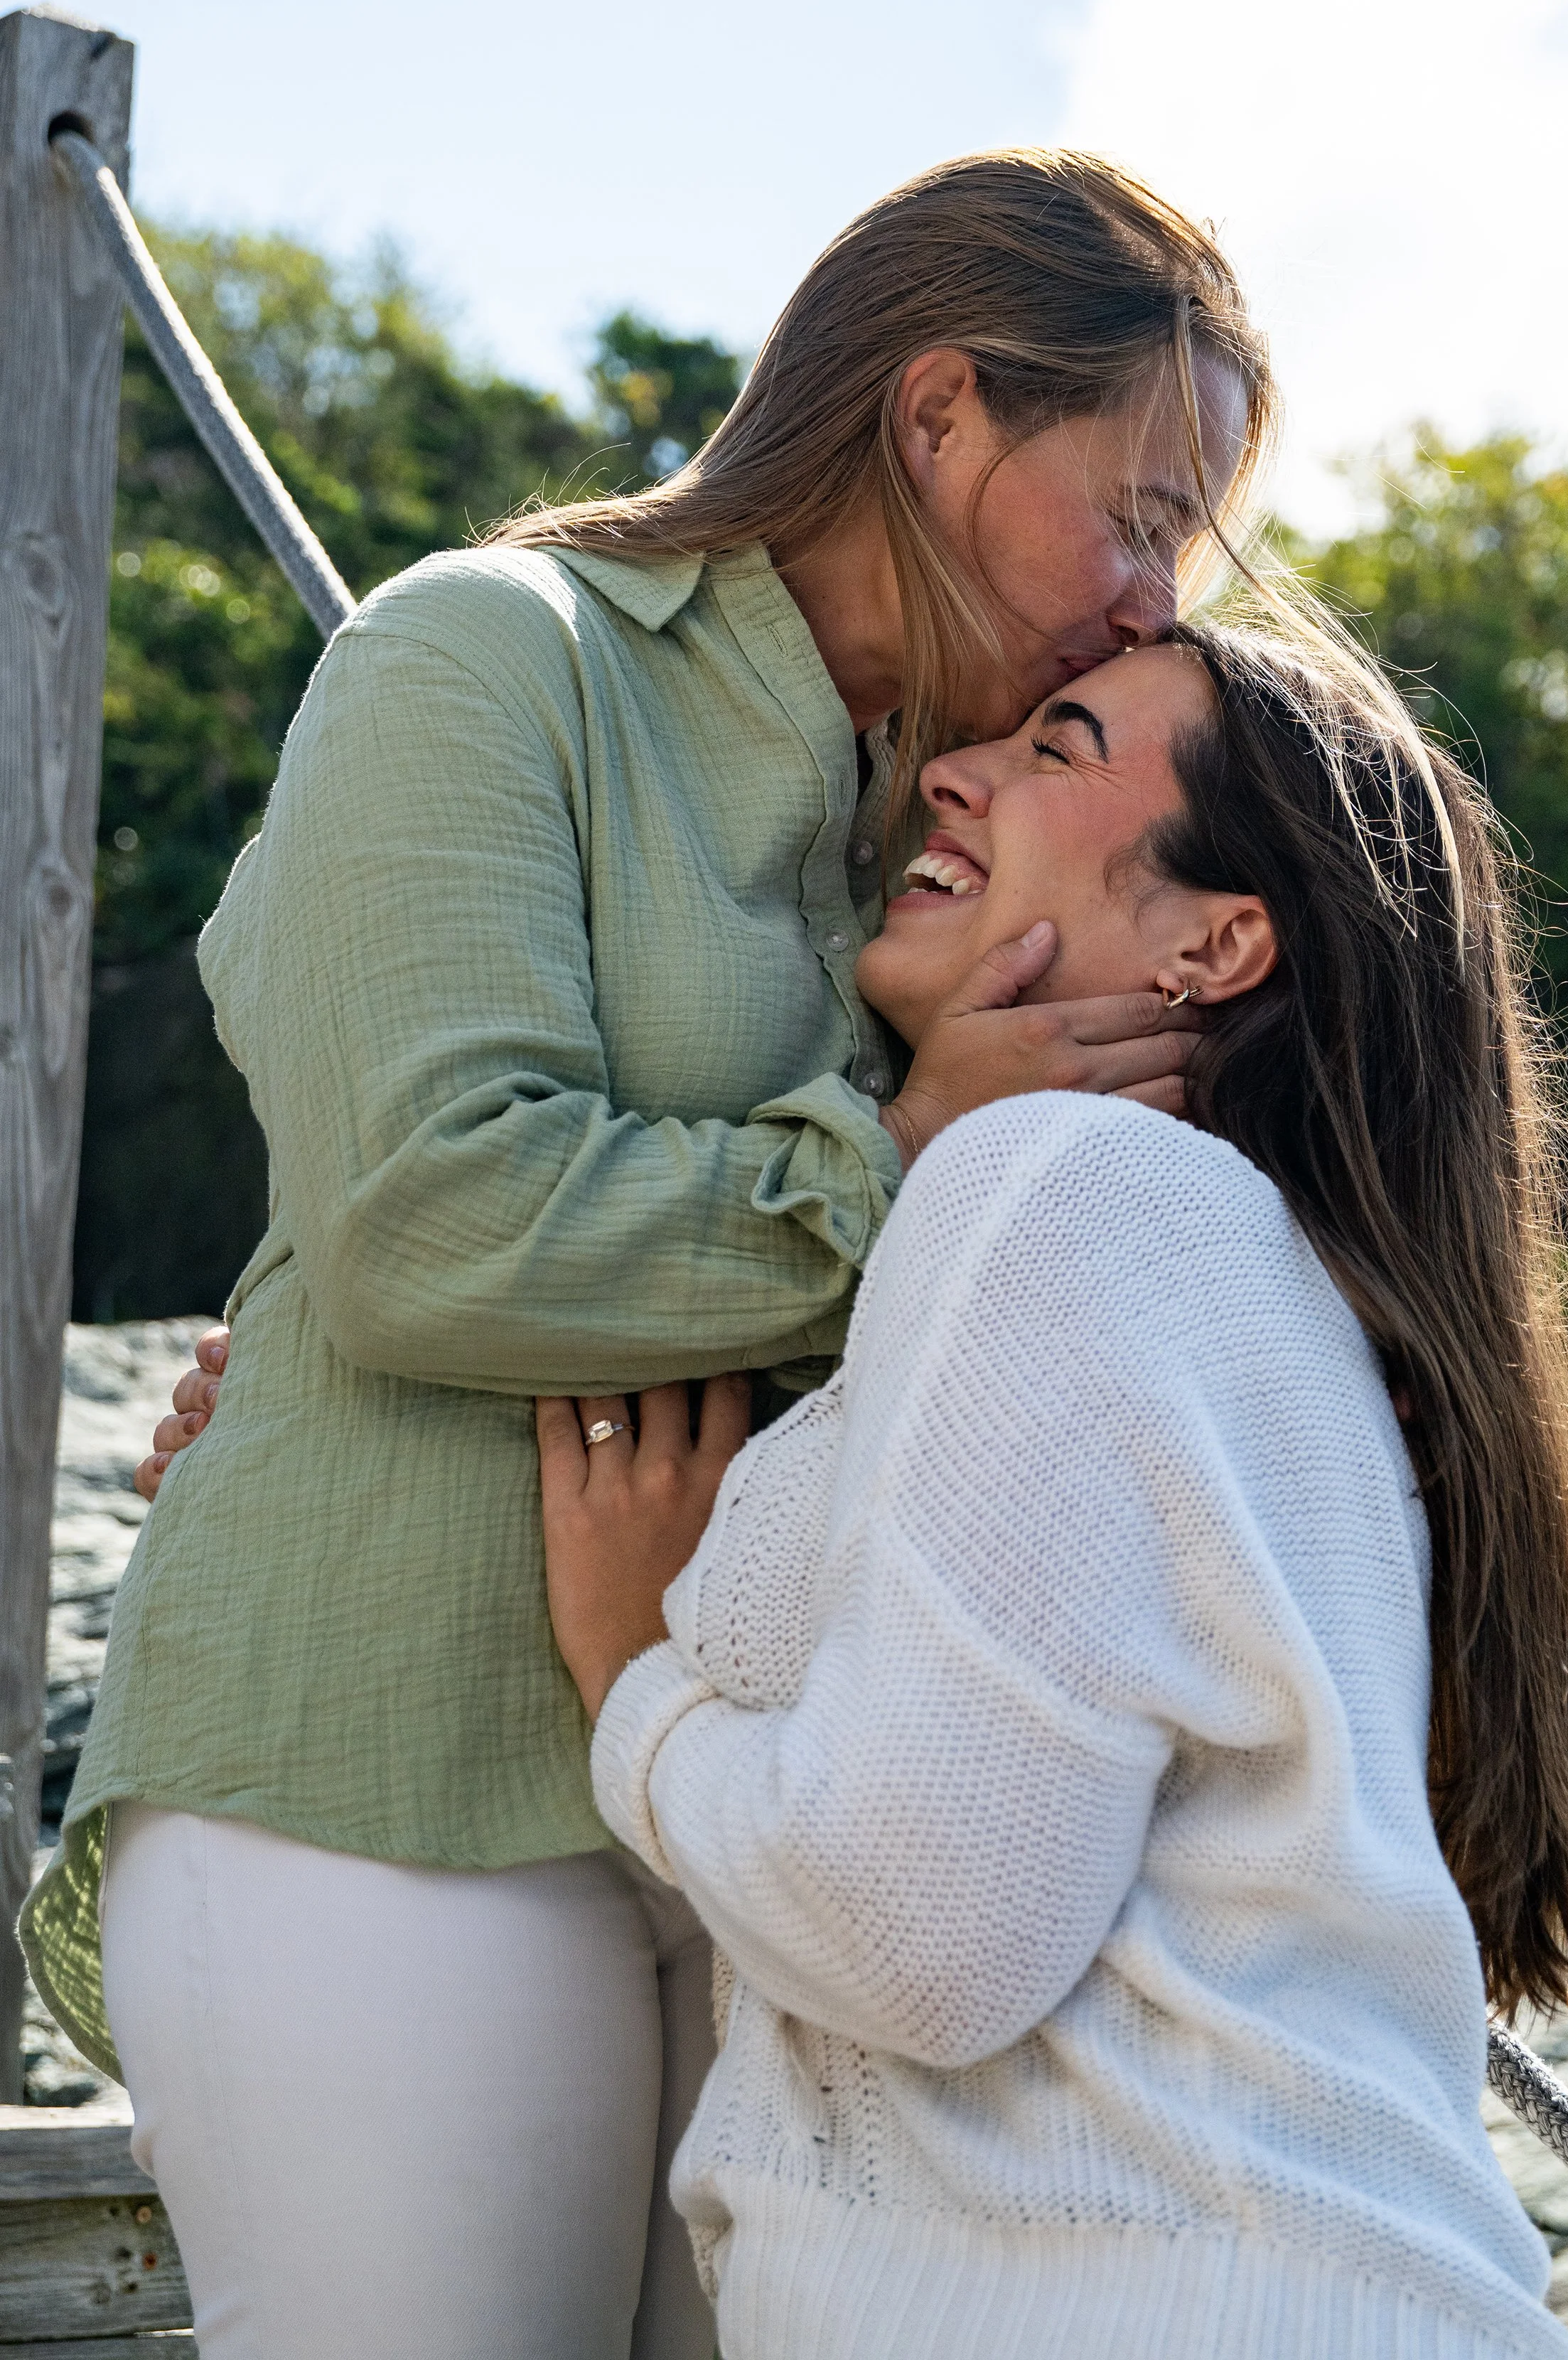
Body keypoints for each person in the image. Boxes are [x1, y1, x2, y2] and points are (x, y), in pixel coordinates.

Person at [23, 149, 1274, 2360]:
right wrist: (890, 1163)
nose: (1161, 600)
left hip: (777, 1814)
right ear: (940, 416)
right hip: (387, 1760)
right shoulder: (486, 655)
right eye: (1148, 510)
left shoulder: (975, 820)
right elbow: (421, 1219)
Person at [537, 623, 1568, 2360]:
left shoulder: (1062, 1189)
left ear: (1215, 939)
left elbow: (916, 1941)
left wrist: (631, 1685)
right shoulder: (1272, 1294)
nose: (951, 770)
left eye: (1061, 745)